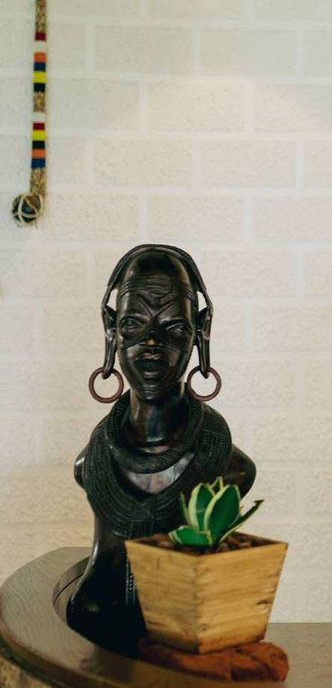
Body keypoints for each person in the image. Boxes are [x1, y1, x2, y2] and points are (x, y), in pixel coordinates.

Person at [68, 244, 255, 653]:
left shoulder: (230, 470)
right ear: (111, 329)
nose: (151, 344)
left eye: (172, 328)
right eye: (134, 324)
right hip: (96, 665)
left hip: (185, 671)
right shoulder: (92, 464)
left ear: (200, 333)